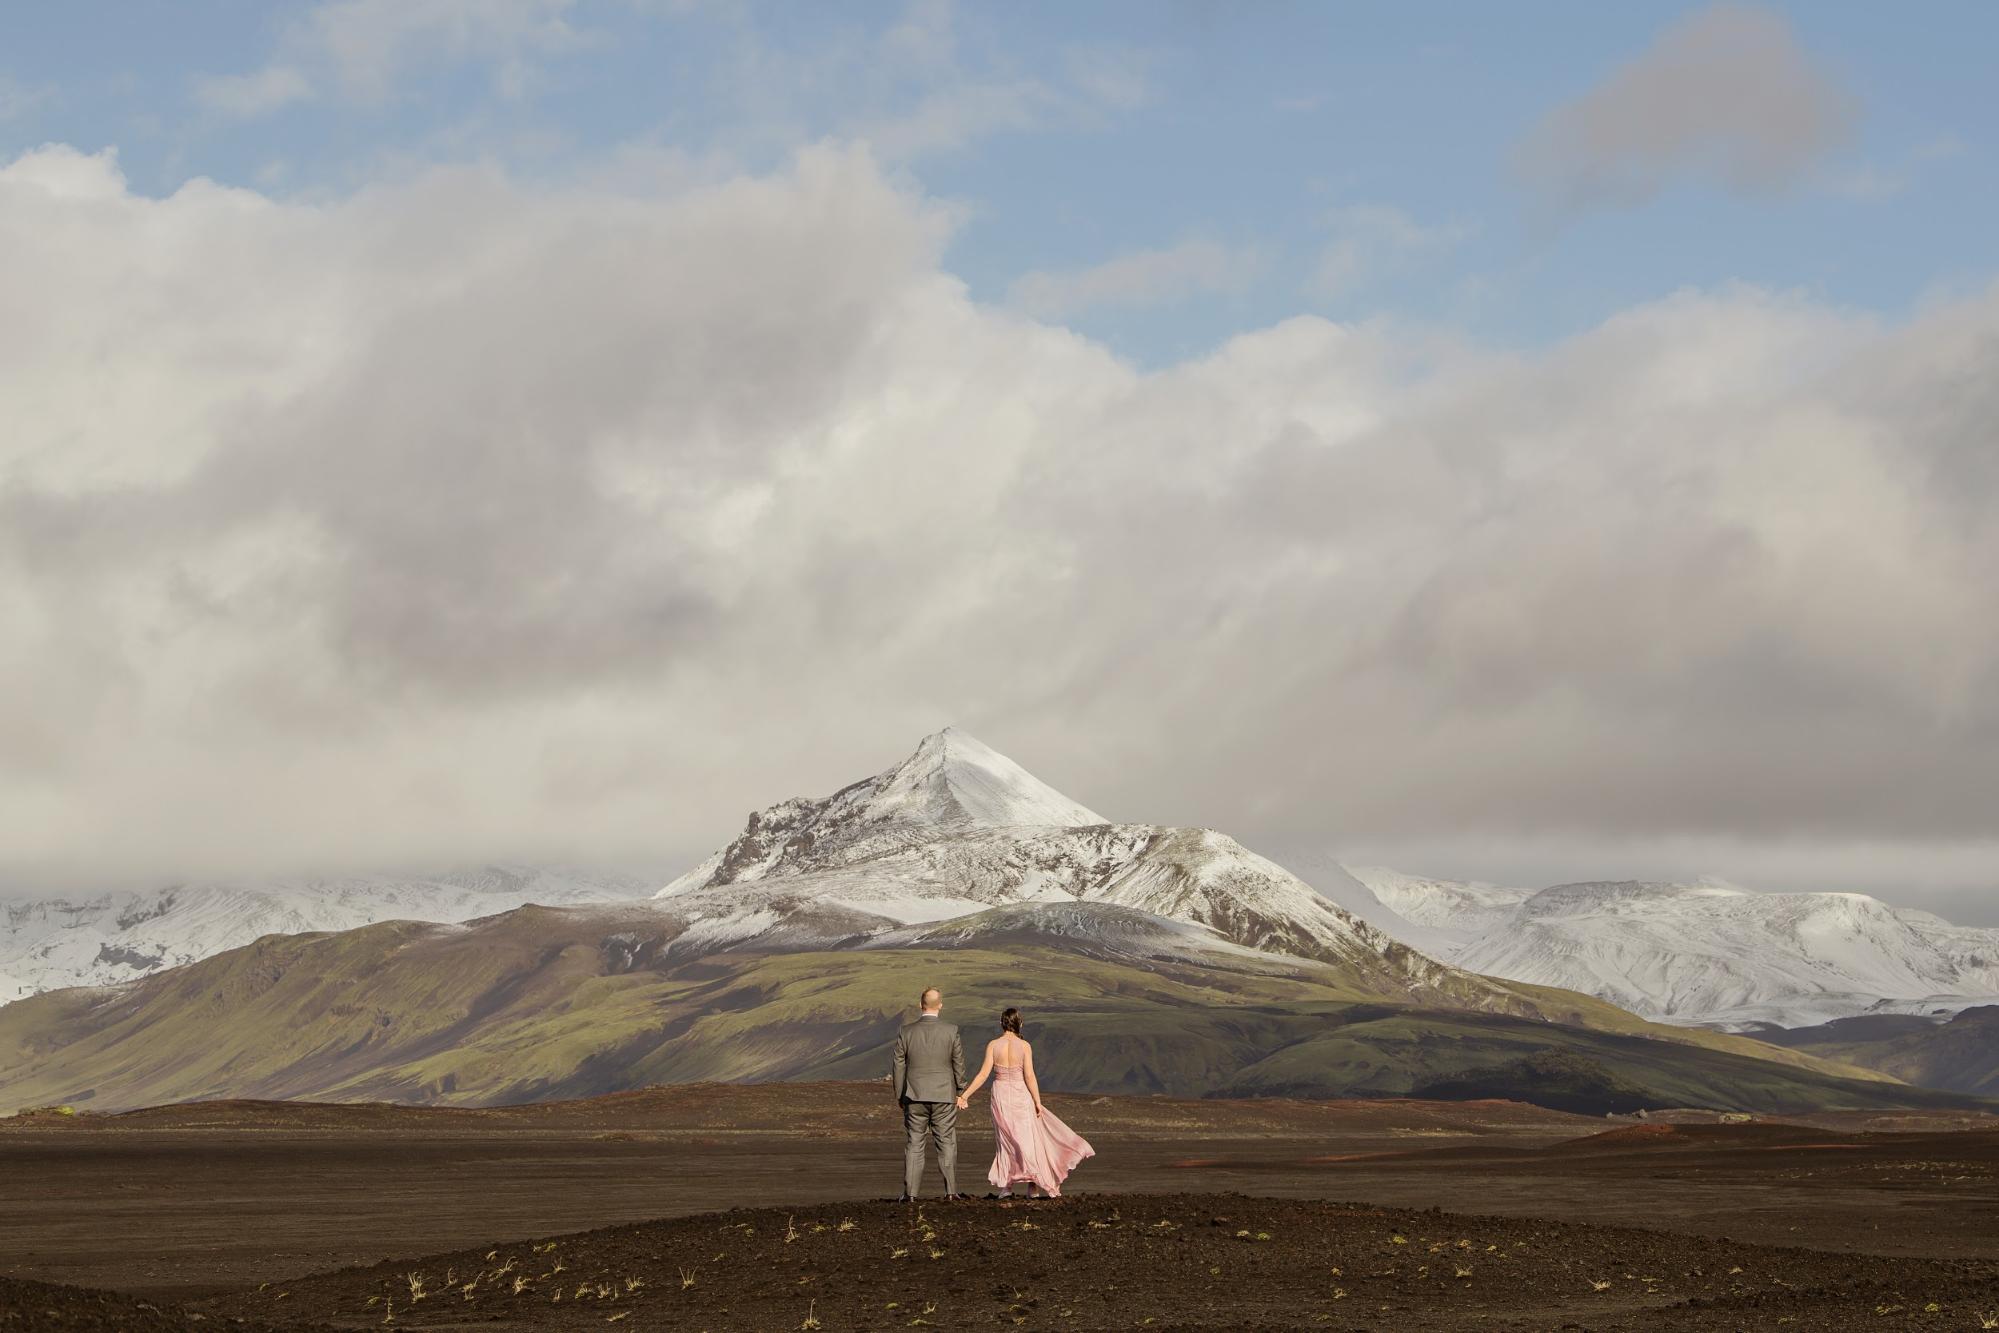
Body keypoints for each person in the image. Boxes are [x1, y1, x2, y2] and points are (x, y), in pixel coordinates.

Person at [956, 1007, 1094, 1198]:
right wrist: (1037, 1101)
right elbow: (1029, 1075)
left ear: (1002, 1023)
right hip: (1021, 1094)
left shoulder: (993, 1045)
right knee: (1027, 1140)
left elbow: (983, 1074)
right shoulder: (1025, 1046)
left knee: (1005, 1141)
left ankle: (1007, 1186)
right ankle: (1032, 1186)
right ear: (1019, 1023)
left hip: (1001, 1093)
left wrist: (965, 1096)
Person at [891, 985, 967, 1201]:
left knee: (914, 1143)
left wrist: (900, 1094)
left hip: (914, 1096)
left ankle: (910, 1195)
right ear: (940, 1006)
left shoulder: (906, 1032)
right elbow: (958, 1063)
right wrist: (961, 1089)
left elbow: (898, 1065)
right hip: (944, 1095)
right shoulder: (951, 1031)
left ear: (920, 1005)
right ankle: (951, 1192)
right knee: (946, 1143)